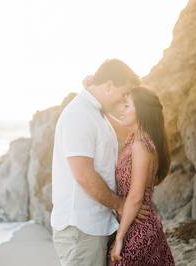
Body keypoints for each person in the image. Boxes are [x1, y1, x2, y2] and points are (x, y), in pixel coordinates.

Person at [50, 59, 150, 266]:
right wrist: (120, 205)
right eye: (123, 94)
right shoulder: (79, 115)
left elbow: (131, 134)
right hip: (80, 229)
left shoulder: (96, 112)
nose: (123, 101)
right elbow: (83, 175)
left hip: (95, 225)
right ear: (109, 85)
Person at [108, 87, 175, 265]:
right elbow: (117, 125)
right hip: (136, 222)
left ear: (141, 112)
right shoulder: (135, 139)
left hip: (139, 227)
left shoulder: (140, 145)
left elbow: (136, 196)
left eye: (127, 106)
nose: (121, 109)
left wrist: (120, 239)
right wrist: (98, 106)